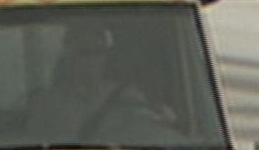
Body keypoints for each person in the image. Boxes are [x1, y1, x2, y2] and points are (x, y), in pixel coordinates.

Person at [25, 25, 172, 143]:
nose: (93, 59)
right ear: (68, 56)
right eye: (85, 53)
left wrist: (162, 116)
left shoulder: (125, 96)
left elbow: (151, 131)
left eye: (99, 52)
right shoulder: (46, 104)